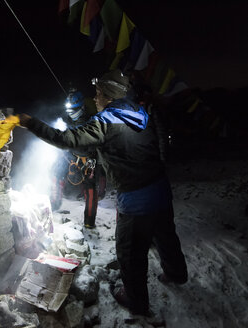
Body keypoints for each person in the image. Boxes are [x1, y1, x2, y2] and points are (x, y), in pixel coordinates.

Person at [17, 69, 188, 316]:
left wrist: (30, 122)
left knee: (130, 252)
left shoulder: (105, 121)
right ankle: (176, 273)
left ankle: (136, 301)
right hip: (160, 188)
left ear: (107, 95)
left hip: (136, 198)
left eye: (97, 93)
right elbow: (115, 147)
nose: (95, 99)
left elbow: (67, 139)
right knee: (166, 235)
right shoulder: (137, 111)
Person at [49, 87, 106, 229]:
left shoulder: (91, 122)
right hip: (71, 154)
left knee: (90, 186)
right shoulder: (67, 120)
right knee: (55, 170)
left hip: (88, 157)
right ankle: (54, 204)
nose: (71, 113)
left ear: (81, 107)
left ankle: (89, 221)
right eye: (69, 111)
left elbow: (97, 143)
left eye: (73, 110)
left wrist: (92, 157)